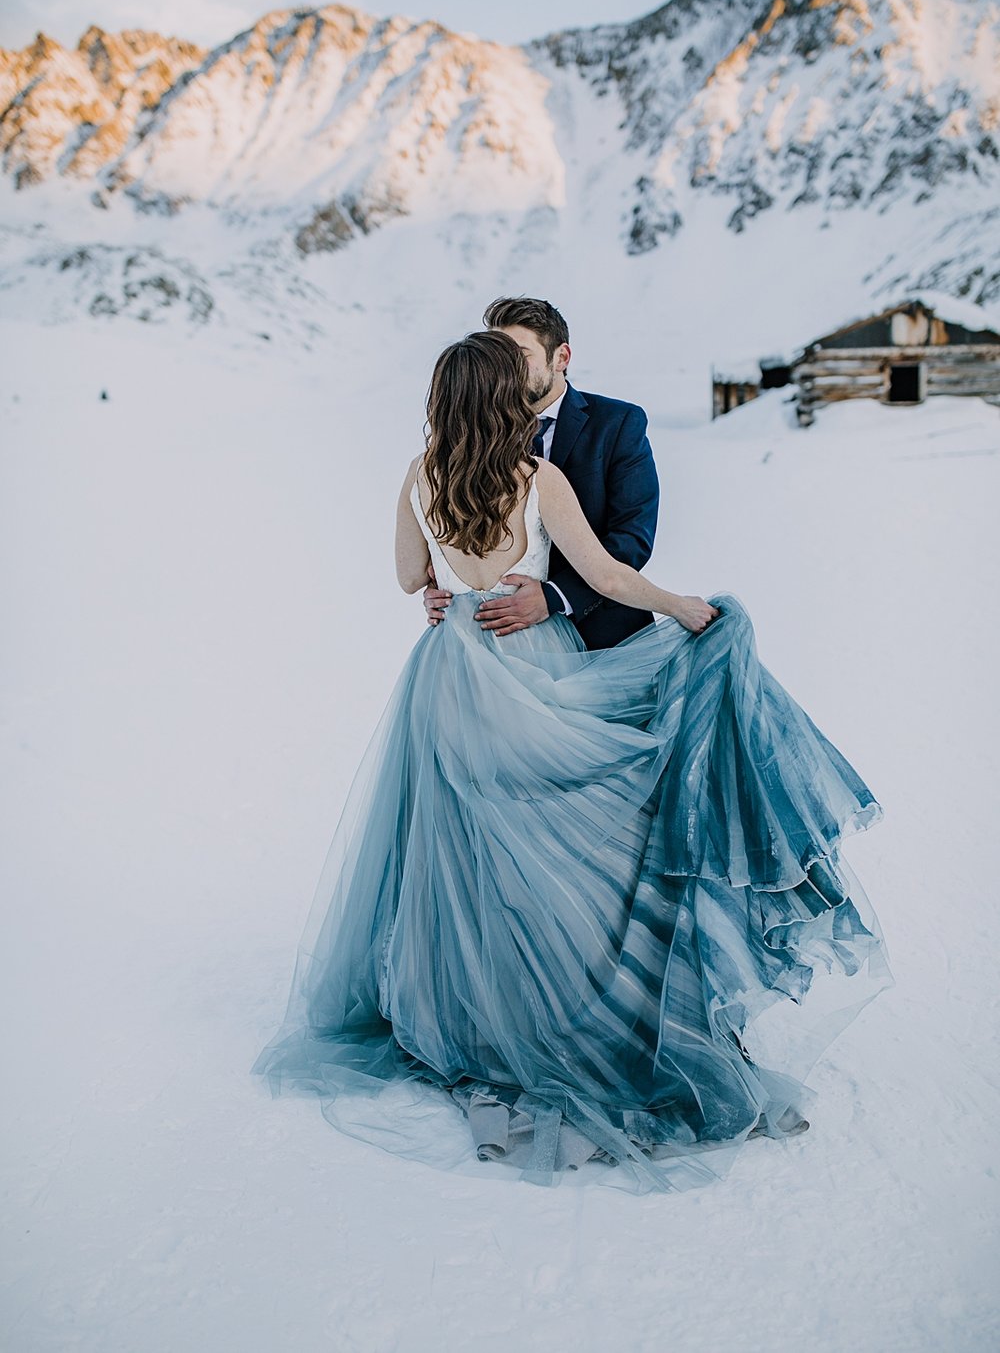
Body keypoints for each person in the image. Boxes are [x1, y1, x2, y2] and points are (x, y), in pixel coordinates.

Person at [252, 331, 892, 1195]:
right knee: (581, 844)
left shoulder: (418, 474)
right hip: (538, 669)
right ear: (501, 398)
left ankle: (483, 1017)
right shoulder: (534, 480)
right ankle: (592, 1011)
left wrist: (448, 588)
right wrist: (685, 608)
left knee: (472, 857)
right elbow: (612, 577)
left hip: (450, 677)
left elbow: (411, 579)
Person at [424, 296, 660, 650]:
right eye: (496, 357)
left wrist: (554, 596)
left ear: (561, 358)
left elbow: (631, 539)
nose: (505, 369)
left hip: (606, 639)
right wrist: (446, 587)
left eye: (518, 355)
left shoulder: (618, 423)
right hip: (505, 647)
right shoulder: (471, 439)